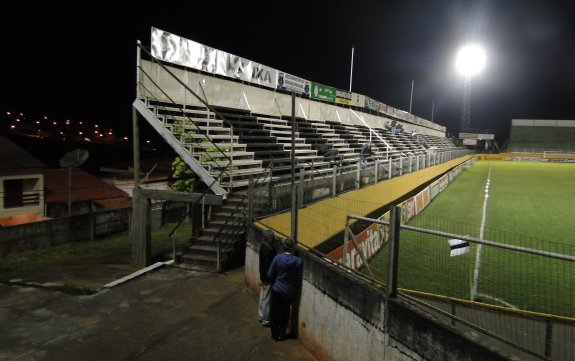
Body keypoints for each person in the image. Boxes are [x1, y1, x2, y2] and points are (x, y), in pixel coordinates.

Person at [267, 237, 302, 341]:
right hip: (289, 292)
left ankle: (274, 334)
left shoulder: (277, 258)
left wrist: (274, 283)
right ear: (292, 248)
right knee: (286, 312)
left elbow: (270, 274)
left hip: (277, 289)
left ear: (283, 247)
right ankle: (282, 333)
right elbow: (297, 280)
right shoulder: (298, 261)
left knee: (275, 312)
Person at [258, 229, 277, 327]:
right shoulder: (267, 250)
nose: (274, 239)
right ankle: (265, 319)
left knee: (263, 296)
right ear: (268, 239)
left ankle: (261, 316)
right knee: (266, 299)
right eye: (272, 237)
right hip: (267, 278)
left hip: (264, 277)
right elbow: (267, 267)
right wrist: (270, 278)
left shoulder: (265, 247)